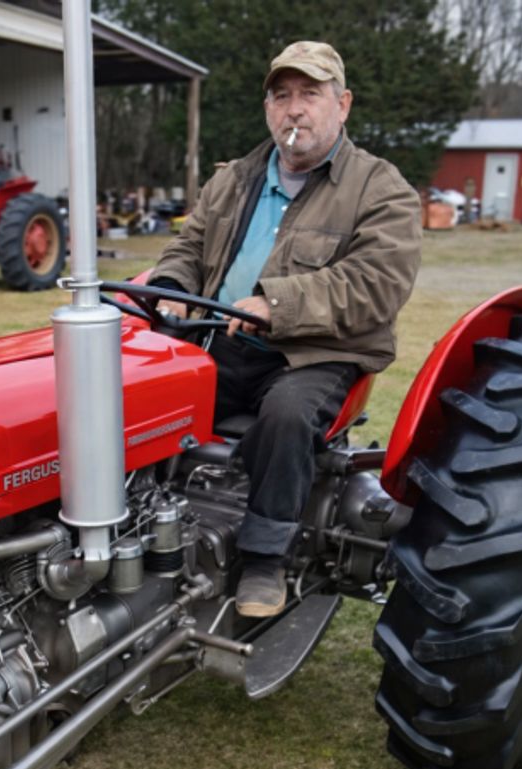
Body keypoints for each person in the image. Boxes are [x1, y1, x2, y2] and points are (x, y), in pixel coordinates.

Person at [150, 41, 422, 617]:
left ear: (342, 105)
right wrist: (173, 292)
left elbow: (378, 283)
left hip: (312, 353)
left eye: (310, 94)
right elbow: (189, 248)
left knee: (286, 416)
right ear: (268, 108)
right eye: (281, 96)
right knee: (138, 391)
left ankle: (265, 560)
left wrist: (279, 302)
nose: (294, 110)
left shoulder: (381, 188)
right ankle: (143, 527)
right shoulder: (234, 179)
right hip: (221, 342)